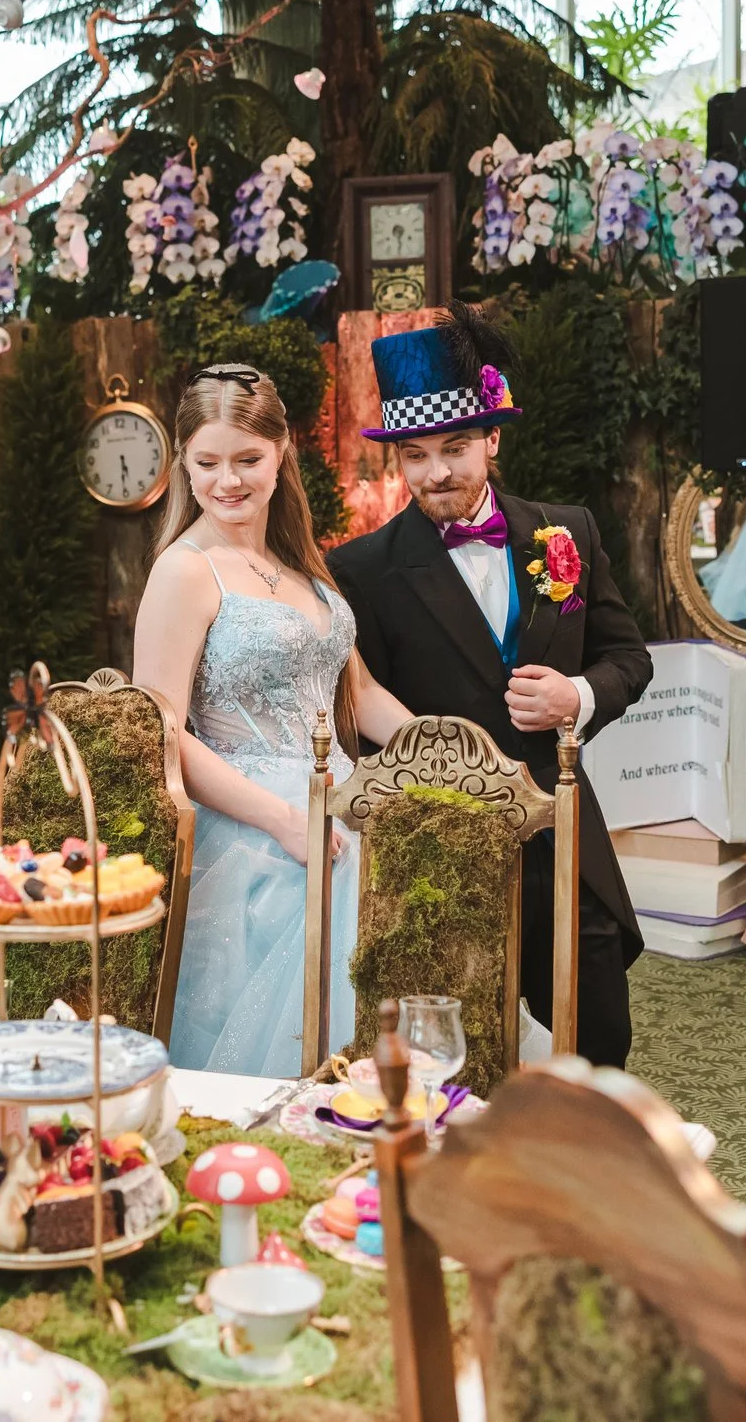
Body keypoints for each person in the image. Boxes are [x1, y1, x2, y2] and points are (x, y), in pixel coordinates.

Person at [327, 311, 653, 1067]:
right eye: (417, 455)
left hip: (563, 828)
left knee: (600, 1029)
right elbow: (357, 718)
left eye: (455, 449)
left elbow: (628, 657)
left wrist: (578, 695)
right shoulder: (363, 569)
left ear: (493, 439)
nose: (437, 472)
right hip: (444, 844)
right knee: (465, 1044)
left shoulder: (563, 534)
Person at [133, 364, 414, 1078]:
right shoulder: (185, 570)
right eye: (208, 462)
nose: (229, 480)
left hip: (346, 803)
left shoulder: (299, 566)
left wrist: (435, 756)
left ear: (282, 450)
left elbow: (361, 694)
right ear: (184, 460)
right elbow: (160, 729)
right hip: (254, 832)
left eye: (248, 459)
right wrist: (283, 819)